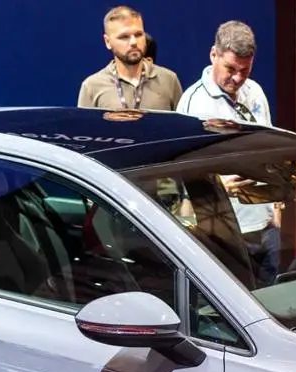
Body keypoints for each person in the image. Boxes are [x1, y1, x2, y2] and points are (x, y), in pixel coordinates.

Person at [176, 21, 280, 282]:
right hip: (224, 231)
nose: (237, 78)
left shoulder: (255, 92)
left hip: (267, 226)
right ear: (214, 55)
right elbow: (177, 170)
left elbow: (271, 150)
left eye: (245, 70)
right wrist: (218, 183)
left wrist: (277, 208)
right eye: (231, 69)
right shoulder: (194, 104)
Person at [77, 6, 182, 112]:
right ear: (107, 42)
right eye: (124, 37)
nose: (133, 42)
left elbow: (182, 122)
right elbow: (83, 123)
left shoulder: (169, 80)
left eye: (138, 35)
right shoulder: (92, 86)